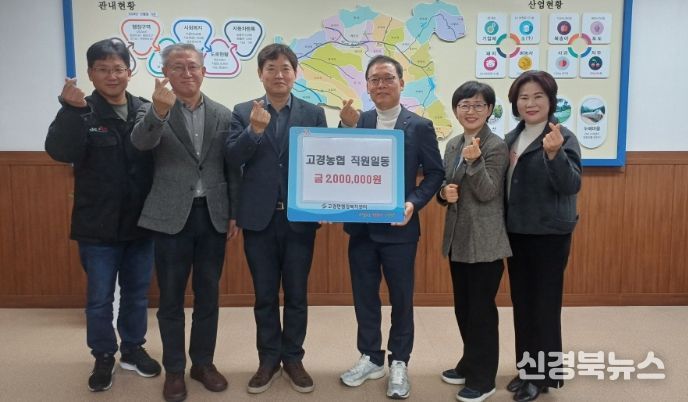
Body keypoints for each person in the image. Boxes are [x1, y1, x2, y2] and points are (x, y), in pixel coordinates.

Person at [45, 38, 161, 392]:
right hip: (97, 226)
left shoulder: (146, 109)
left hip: (141, 224)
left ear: (129, 72)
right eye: (103, 69)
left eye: (118, 68)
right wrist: (71, 111)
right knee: (99, 299)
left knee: (137, 295)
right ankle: (103, 355)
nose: (112, 76)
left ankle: (132, 349)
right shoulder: (83, 110)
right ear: (91, 73)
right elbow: (60, 151)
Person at [130, 43, 240, 402]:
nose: (186, 73)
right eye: (177, 67)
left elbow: (230, 168)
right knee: (171, 299)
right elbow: (141, 144)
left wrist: (233, 212)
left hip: (212, 216)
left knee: (208, 295)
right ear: (166, 73)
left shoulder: (223, 114)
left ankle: (203, 364)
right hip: (169, 217)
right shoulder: (151, 109)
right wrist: (159, 112)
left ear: (204, 71)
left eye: (192, 66)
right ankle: (175, 369)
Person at [338, 55, 444, 400]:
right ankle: (371, 357)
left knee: (401, 299)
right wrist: (346, 128)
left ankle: (399, 361)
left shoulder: (419, 126)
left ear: (401, 82)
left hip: (400, 228)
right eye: (374, 79)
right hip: (361, 229)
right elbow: (339, 161)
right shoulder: (359, 121)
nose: (381, 85)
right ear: (367, 85)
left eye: (387, 78)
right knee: (364, 297)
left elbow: (435, 173)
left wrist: (413, 202)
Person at [226, 43, 327, 395]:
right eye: (271, 68)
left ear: (295, 74)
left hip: (299, 218)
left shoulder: (313, 113)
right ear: (260, 74)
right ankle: (268, 359)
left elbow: (324, 160)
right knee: (265, 295)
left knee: (297, 294)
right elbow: (232, 158)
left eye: (285, 68)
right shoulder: (243, 111)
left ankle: (294, 358)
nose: (278, 74)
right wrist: (253, 131)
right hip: (259, 219)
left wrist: (326, 206)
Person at [503, 70, 581, 402]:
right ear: (515, 103)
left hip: (549, 234)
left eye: (538, 96)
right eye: (523, 97)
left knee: (544, 306)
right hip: (516, 233)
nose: (530, 103)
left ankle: (543, 376)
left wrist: (555, 154)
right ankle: (527, 370)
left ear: (551, 101)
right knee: (522, 303)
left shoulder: (563, 137)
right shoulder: (511, 138)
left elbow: (571, 184)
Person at [436, 81, 511, 402]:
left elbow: (488, 191)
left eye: (478, 105)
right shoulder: (453, 144)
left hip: (485, 242)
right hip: (458, 239)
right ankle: (469, 363)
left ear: (489, 110)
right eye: (464, 105)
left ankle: (483, 378)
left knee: (481, 312)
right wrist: (443, 193)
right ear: (456, 110)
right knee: (464, 308)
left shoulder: (496, 145)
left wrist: (475, 161)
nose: (471, 111)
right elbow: (447, 185)